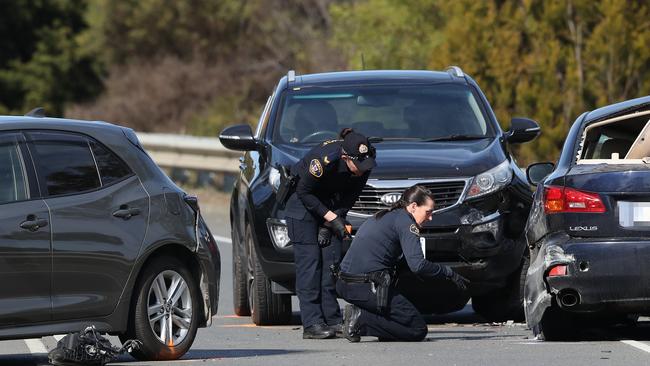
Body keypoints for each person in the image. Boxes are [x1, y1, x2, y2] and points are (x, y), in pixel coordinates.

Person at [335, 185, 469, 342]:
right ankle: (361, 319)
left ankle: (372, 321)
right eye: (428, 212)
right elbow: (418, 265)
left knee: (402, 317)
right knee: (417, 329)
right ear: (413, 207)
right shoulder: (406, 223)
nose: (430, 217)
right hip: (364, 286)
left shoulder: (387, 215)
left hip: (347, 283)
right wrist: (448, 273)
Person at [284, 128, 376, 339]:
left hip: (332, 207)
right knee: (310, 265)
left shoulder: (366, 161)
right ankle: (312, 323)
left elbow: (349, 197)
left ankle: (332, 319)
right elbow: (304, 192)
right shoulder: (325, 159)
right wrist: (331, 218)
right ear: (345, 157)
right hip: (303, 208)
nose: (362, 170)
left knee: (330, 265)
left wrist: (329, 224)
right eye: (357, 165)